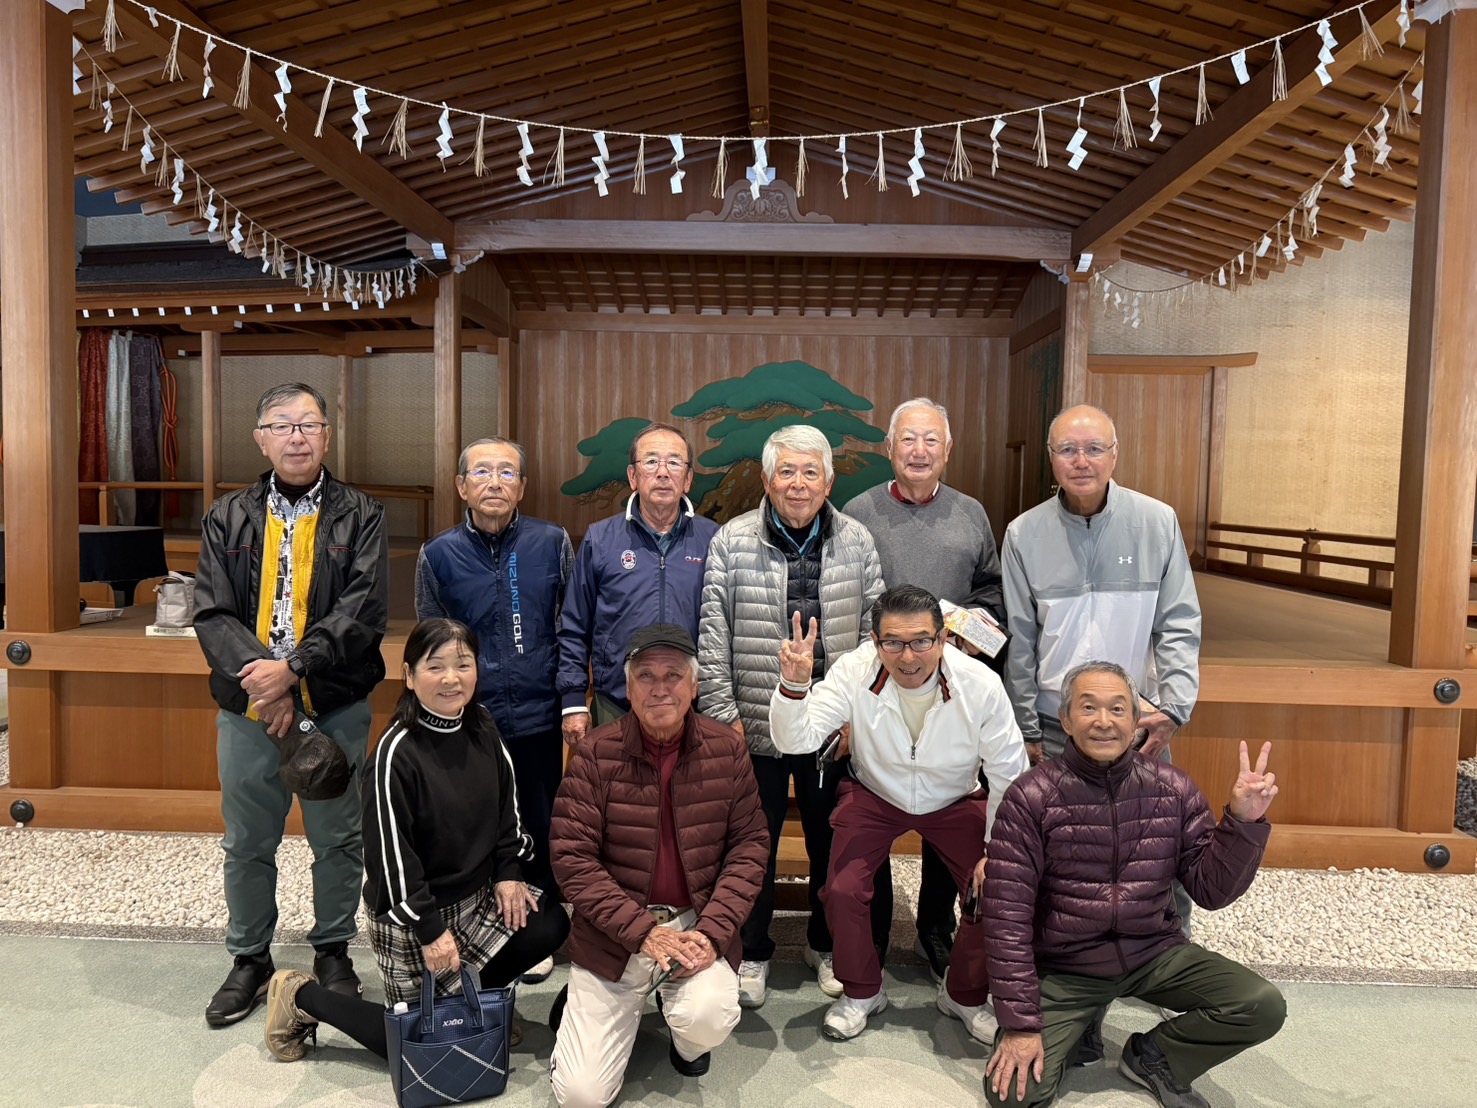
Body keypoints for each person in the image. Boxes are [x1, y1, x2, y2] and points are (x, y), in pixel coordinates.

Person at [260, 618, 570, 1065]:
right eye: (435, 666)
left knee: (548, 922)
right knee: (420, 1049)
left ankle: (473, 1005)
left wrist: (509, 872)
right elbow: (391, 862)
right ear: (409, 675)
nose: (451, 679)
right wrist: (430, 931)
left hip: (476, 899)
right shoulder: (394, 754)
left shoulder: (482, 725)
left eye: (463, 664)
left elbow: (509, 812)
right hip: (413, 915)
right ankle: (302, 996)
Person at [983, 662, 1284, 1108]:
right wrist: (1021, 1026)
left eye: (1117, 708)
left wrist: (1242, 823)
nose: (1103, 721)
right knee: (1013, 1097)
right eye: (1088, 708)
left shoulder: (1173, 788)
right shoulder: (1031, 797)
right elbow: (1006, 920)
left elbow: (1211, 891)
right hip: (1066, 965)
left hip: (1152, 952)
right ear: (1066, 720)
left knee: (1260, 1004)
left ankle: (1155, 1057)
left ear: (1135, 720)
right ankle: (1080, 1022)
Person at [195, 382, 388, 1028]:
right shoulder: (227, 516)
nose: (296, 436)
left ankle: (333, 950)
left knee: (339, 838)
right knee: (248, 841)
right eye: (282, 425)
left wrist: (294, 671)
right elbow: (212, 612)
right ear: (261, 439)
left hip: (333, 700)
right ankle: (249, 958)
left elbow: (363, 608)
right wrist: (266, 684)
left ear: (327, 437)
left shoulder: (361, 514)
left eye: (308, 424)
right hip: (248, 708)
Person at [769, 585, 1028, 1042]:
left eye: (921, 641)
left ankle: (964, 994)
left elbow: (1009, 772)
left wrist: (997, 849)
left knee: (997, 887)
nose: (908, 657)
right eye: (893, 642)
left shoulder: (980, 684)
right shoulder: (855, 670)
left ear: (942, 639)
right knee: (842, 889)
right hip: (875, 794)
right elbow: (796, 740)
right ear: (874, 641)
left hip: (954, 798)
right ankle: (863, 991)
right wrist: (794, 687)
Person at [1001, 403, 1201, 960]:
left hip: (1137, 719)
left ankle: (1168, 951)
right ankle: (1057, 954)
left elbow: (1179, 622)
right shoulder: (1023, 533)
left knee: (1157, 840)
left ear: (1115, 455)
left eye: (1094, 449)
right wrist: (1025, 724)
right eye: (1068, 450)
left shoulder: (1157, 522)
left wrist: (1174, 707)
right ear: (1051, 459)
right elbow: (1020, 637)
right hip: (1055, 718)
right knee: (1056, 844)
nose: (1081, 461)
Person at [697, 423, 886, 1008]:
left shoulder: (857, 541)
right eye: (787, 472)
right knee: (752, 845)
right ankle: (753, 951)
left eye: (810, 472)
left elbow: (873, 635)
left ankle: (823, 944)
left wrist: (857, 716)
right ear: (766, 479)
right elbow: (713, 634)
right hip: (753, 725)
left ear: (828, 482)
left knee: (833, 842)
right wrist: (723, 715)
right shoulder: (732, 540)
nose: (798, 484)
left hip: (830, 729)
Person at [547, 624, 768, 1108]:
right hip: (616, 931)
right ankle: (591, 1002)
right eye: (646, 676)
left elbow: (749, 847)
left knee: (707, 1017)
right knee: (581, 1096)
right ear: (627, 689)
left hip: (693, 922)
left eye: (674, 675)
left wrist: (713, 933)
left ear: (695, 685)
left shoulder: (728, 750)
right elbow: (571, 857)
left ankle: (683, 1036)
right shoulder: (595, 754)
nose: (660, 688)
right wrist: (642, 932)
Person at [843, 396, 1008, 983]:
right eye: (908, 439)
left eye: (931, 440)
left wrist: (973, 636)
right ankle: (874, 932)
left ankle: (936, 928)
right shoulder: (858, 512)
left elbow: (991, 590)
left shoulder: (971, 513)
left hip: (949, 684)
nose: (919, 451)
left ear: (948, 450)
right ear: (889, 448)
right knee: (876, 804)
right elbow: (846, 597)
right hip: (879, 684)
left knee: (949, 804)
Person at [416, 436, 574, 982]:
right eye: (481, 472)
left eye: (507, 473)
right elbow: (430, 639)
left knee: (540, 818)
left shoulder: (551, 542)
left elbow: (568, 625)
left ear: (522, 487)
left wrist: (570, 697)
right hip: (471, 718)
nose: (494, 483)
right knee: (477, 820)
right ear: (461, 486)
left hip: (538, 711)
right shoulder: (438, 554)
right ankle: (481, 919)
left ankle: (537, 924)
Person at [557, 422, 718, 745]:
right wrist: (573, 701)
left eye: (674, 463)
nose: (663, 473)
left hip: (692, 704)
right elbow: (574, 625)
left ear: (688, 479)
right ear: (633, 476)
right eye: (651, 462)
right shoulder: (600, 539)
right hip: (616, 702)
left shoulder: (713, 539)